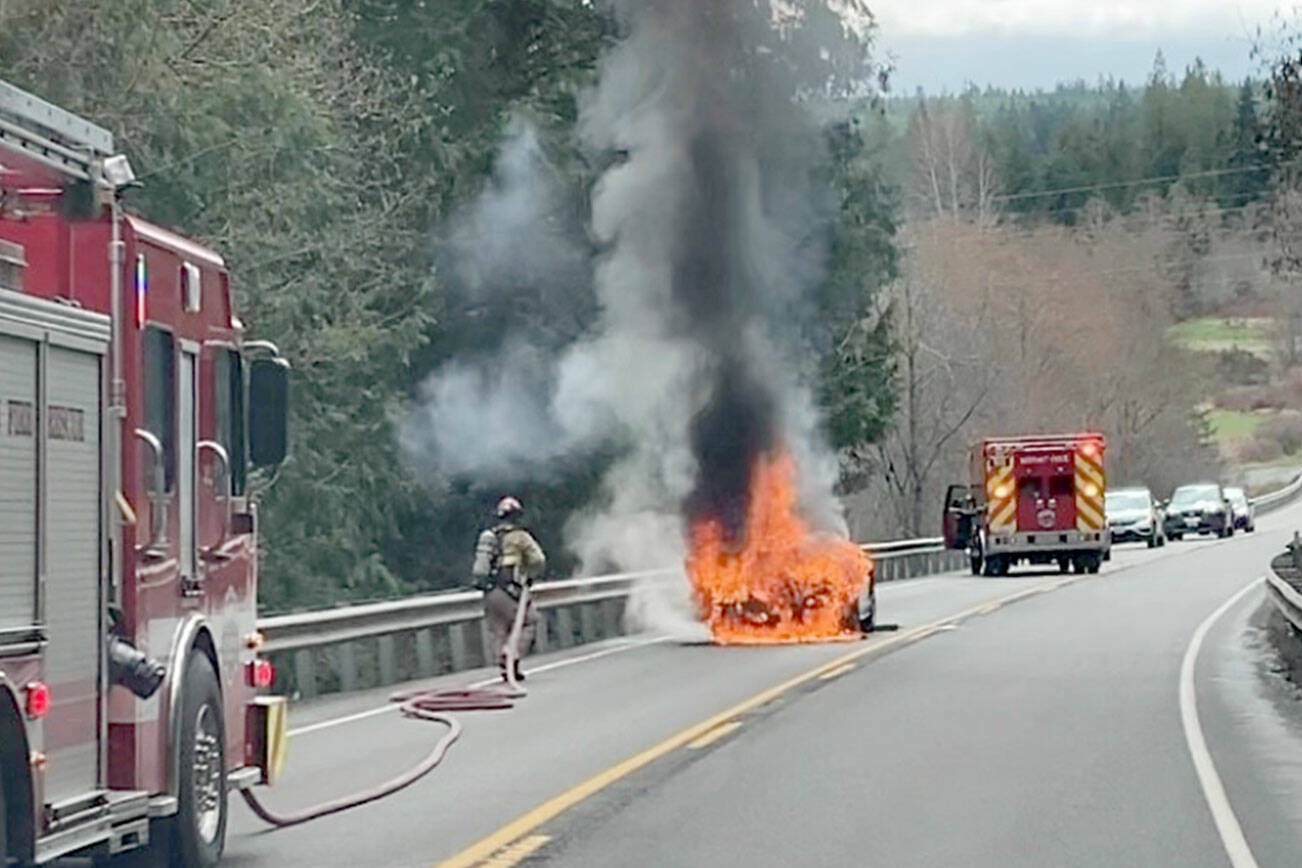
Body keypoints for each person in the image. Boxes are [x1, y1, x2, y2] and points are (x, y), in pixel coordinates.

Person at [472, 495, 545, 682]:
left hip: (491, 593)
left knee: (499, 630)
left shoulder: (488, 537)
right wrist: (530, 575)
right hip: (512, 592)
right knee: (528, 621)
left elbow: (480, 569)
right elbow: (538, 560)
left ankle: (506, 667)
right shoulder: (521, 537)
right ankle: (512, 655)